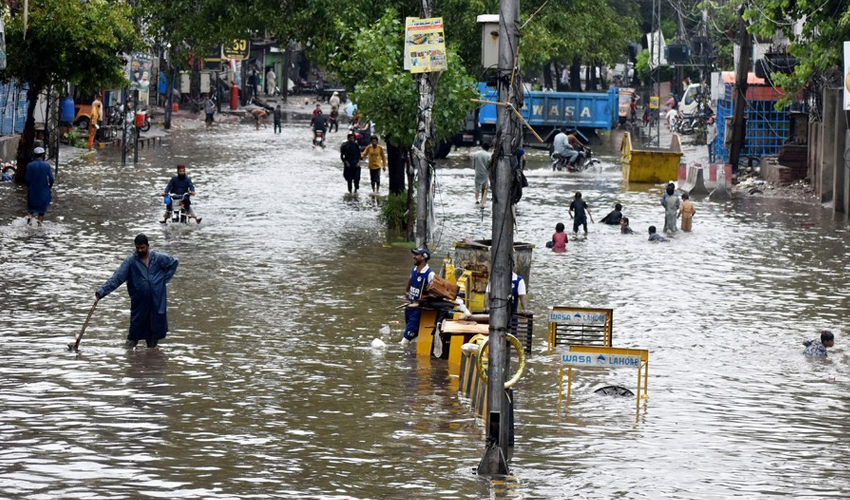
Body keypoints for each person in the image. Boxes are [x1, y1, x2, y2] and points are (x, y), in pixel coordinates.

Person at [96, 234, 179, 349]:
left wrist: (163, 280)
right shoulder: (131, 261)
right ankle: (128, 358)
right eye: (138, 248)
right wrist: (101, 292)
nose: (140, 250)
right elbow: (117, 278)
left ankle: (150, 360)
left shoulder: (158, 258)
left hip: (157, 302)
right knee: (134, 333)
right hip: (139, 303)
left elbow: (174, 263)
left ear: (148, 246)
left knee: (154, 335)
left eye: (142, 248)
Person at [401, 247, 435, 347]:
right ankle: (413, 354)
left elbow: (434, 291)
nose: (414, 257)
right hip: (409, 306)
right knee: (413, 334)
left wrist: (423, 300)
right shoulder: (414, 270)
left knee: (406, 338)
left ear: (423, 257)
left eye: (416, 255)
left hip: (418, 309)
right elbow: (410, 281)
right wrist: (406, 293)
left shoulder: (430, 274)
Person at [25, 147, 54, 226]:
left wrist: (30, 187)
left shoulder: (30, 165)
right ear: (43, 155)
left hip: (32, 192)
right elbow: (51, 178)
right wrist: (49, 187)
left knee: (31, 211)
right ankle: (39, 227)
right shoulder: (46, 165)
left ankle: (29, 226)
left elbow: (27, 179)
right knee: (41, 212)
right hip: (43, 192)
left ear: (34, 155)